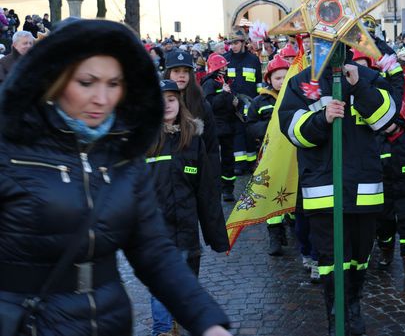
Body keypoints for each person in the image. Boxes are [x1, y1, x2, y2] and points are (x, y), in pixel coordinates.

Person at [0, 18, 231, 336]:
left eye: (113, 84)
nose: (102, 98)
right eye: (86, 82)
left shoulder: (123, 151)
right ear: (54, 78)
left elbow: (154, 252)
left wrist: (208, 322)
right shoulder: (10, 147)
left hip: (109, 322)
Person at [279, 49, 397, 336]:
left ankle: (353, 303)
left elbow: (387, 120)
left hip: (363, 189)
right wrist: (322, 118)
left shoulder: (368, 77)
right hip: (324, 190)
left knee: (359, 256)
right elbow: (292, 130)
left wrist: (360, 86)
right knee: (331, 260)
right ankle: (336, 313)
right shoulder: (302, 82)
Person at [147, 79, 226, 336]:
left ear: (179, 103)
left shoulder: (192, 140)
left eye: (171, 99)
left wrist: (217, 238)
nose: (166, 105)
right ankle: (163, 330)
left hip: (187, 233)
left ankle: (175, 326)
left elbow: (206, 194)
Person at [163, 51, 228, 249]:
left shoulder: (201, 103)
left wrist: (214, 181)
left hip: (194, 173)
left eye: (185, 71)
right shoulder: (156, 100)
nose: (181, 75)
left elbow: (210, 147)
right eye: (176, 71)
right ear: (168, 74)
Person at [374, 51, 405, 284]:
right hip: (383, 193)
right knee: (384, 226)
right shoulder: (375, 144)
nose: (386, 126)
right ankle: (385, 251)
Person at [246, 56, 292, 256]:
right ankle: (275, 233)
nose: (281, 81)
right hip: (270, 156)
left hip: (293, 155)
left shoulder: (296, 97)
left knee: (291, 190)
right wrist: (271, 128)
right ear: (269, 80)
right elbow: (250, 125)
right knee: (272, 192)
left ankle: (294, 225)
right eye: (278, 78)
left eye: (285, 77)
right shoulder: (259, 101)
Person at [223, 29, 263, 174]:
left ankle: (252, 162)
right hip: (232, 103)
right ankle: (238, 165)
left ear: (244, 43)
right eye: (231, 43)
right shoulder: (226, 59)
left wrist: (259, 101)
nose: (233, 46)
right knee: (236, 132)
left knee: (250, 132)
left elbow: (259, 82)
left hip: (250, 103)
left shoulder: (253, 60)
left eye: (236, 43)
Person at [201, 53, 238, 202]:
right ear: (217, 68)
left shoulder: (223, 81)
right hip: (216, 128)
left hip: (227, 126)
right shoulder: (209, 84)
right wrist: (223, 94)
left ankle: (228, 189)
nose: (226, 68)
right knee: (215, 159)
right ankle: (217, 188)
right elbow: (209, 105)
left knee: (229, 159)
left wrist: (236, 103)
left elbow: (228, 102)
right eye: (223, 66)